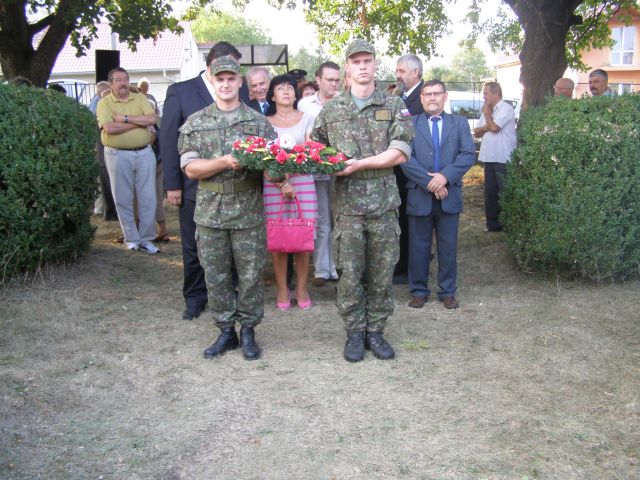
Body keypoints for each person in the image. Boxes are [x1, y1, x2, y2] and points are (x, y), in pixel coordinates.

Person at [312, 39, 414, 363]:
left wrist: (360, 164)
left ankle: (376, 331)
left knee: (383, 271)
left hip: (383, 203)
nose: (362, 66)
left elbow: (400, 152)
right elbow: (315, 147)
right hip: (347, 207)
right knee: (350, 273)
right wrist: (325, 162)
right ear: (348, 67)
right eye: (356, 62)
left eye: (367, 61)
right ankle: (355, 332)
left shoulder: (394, 105)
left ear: (375, 64)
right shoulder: (332, 110)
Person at [179, 56, 277, 361]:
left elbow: (272, 168)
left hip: (248, 211)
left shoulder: (259, 123)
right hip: (210, 211)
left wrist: (279, 168)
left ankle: (248, 330)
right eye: (219, 79)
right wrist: (223, 162)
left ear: (240, 82)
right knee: (216, 274)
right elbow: (190, 168)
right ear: (211, 80)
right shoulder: (196, 122)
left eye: (231, 78)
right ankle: (225, 331)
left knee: (250, 274)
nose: (225, 84)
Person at [160, 41, 244, 321]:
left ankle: (229, 293)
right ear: (211, 66)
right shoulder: (181, 91)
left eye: (235, 70)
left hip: (234, 188)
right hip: (193, 185)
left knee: (230, 245)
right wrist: (172, 184)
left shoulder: (238, 91)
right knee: (193, 245)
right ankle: (195, 297)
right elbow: (168, 138)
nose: (230, 76)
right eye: (226, 67)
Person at [401, 80, 475, 310]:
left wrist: (445, 177)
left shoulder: (459, 123)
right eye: (427, 94)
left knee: (448, 246)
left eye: (437, 93)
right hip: (419, 195)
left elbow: (467, 154)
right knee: (418, 246)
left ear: (445, 96)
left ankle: (448, 291)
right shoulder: (410, 124)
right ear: (421, 98)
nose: (432, 97)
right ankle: (418, 291)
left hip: (449, 194)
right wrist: (430, 183)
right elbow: (405, 157)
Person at [263, 74, 318, 310]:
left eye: (290, 88)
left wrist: (291, 172)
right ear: (272, 96)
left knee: (302, 234)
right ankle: (283, 289)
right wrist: (281, 182)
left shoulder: (307, 119)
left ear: (296, 94)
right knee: (279, 235)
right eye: (280, 88)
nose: (286, 91)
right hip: (272, 184)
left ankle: (302, 288)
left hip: (303, 182)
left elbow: (311, 151)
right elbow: (262, 158)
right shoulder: (264, 122)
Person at [96, 67, 159, 254]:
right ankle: (131, 238)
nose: (123, 83)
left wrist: (124, 119)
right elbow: (109, 128)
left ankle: (147, 238)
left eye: (125, 79)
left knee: (148, 197)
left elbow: (151, 120)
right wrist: (138, 124)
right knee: (123, 197)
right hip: (118, 154)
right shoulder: (105, 103)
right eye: (118, 80)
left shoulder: (140, 98)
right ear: (111, 84)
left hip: (144, 152)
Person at [298, 61, 341, 288]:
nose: (334, 84)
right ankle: (323, 269)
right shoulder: (305, 105)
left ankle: (338, 266)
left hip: (344, 170)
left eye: (337, 80)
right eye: (329, 80)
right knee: (322, 219)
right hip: (316, 171)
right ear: (318, 80)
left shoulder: (345, 102)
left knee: (341, 219)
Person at [393, 53, 425, 284]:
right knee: (403, 220)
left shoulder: (422, 97)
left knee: (411, 222)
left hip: (414, 169)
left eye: (402, 71)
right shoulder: (402, 96)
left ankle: (408, 268)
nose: (398, 75)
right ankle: (403, 264)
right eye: (397, 71)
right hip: (400, 169)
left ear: (416, 72)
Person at [473, 81, 516, 232]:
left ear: (496, 93)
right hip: (489, 156)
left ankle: (508, 223)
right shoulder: (487, 108)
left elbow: (495, 128)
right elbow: (476, 132)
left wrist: (486, 114)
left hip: (503, 157)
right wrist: (487, 125)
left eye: (486, 93)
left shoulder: (506, 108)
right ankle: (492, 225)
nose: (484, 97)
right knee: (490, 192)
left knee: (504, 191)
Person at [90, 81, 118, 221]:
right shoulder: (100, 112)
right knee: (106, 183)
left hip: (108, 152)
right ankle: (110, 212)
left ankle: (111, 211)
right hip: (103, 152)